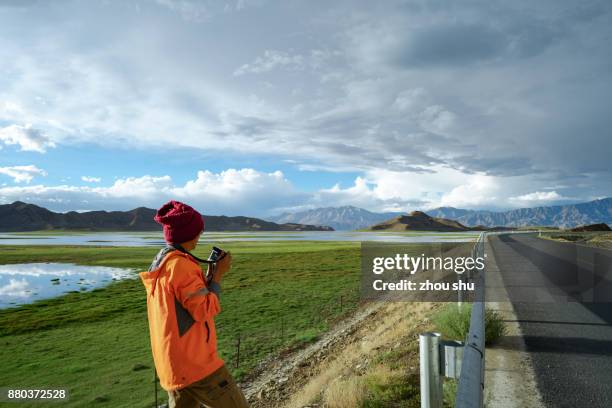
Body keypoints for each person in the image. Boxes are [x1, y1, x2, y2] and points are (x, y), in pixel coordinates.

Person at [140, 200, 249, 408]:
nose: (199, 236)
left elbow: (184, 306)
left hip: (172, 364)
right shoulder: (182, 266)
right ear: (189, 233)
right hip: (196, 364)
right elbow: (204, 310)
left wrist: (207, 279)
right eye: (198, 231)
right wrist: (218, 277)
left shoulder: (163, 262)